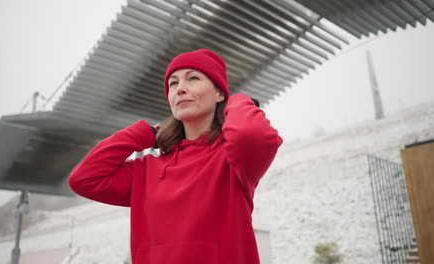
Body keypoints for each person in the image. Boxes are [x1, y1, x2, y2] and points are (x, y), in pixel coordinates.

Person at [68, 49, 283, 264]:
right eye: (173, 83)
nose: (180, 89)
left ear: (219, 94)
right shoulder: (145, 170)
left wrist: (238, 101)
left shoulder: (233, 160)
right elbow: (84, 179)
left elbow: (250, 133)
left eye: (193, 78)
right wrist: (141, 135)